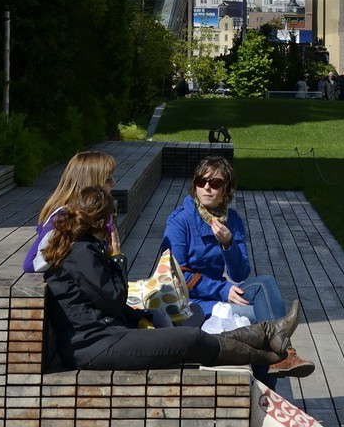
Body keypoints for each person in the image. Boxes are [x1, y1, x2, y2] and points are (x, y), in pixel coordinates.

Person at [41, 179, 311, 375]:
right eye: (112, 217)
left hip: (103, 336)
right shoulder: (82, 253)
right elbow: (113, 298)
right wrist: (117, 257)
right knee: (189, 339)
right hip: (94, 346)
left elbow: (105, 300)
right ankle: (272, 355)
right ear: (103, 222)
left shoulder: (84, 248)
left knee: (190, 336)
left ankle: (269, 337)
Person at [162, 155, 292, 329]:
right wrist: (222, 290)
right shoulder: (180, 220)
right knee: (265, 315)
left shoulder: (233, 221)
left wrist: (228, 244)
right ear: (195, 186)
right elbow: (176, 276)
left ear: (226, 190)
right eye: (201, 181)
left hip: (219, 294)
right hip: (191, 302)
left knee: (265, 283)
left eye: (215, 183)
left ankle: (282, 348)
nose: (207, 187)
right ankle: (285, 351)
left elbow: (240, 274)